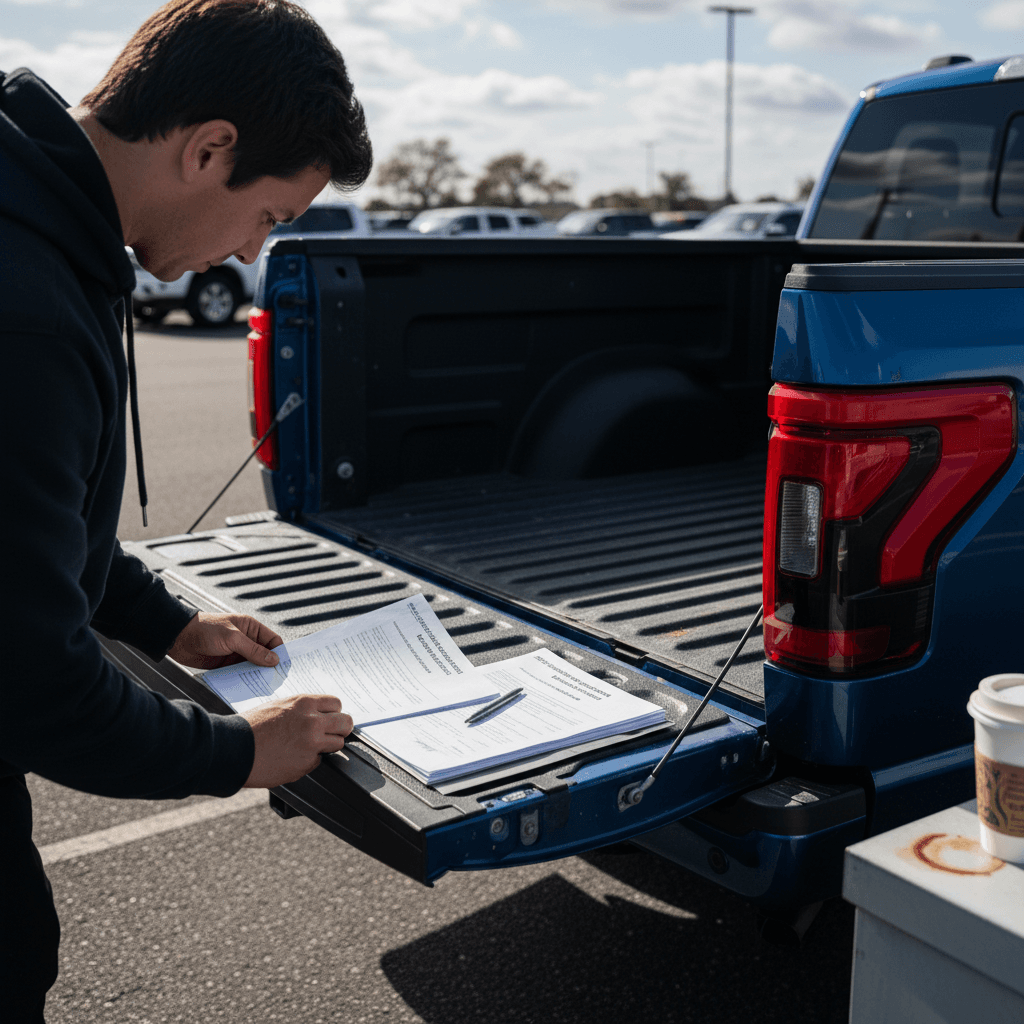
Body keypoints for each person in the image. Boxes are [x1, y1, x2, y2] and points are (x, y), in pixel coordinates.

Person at [0, 1, 374, 1019]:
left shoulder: (42, 218)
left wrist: (167, 620)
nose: (250, 252)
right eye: (270, 218)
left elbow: (29, 523)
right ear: (211, 149)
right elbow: (33, 683)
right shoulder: (25, 303)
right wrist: (240, 751)